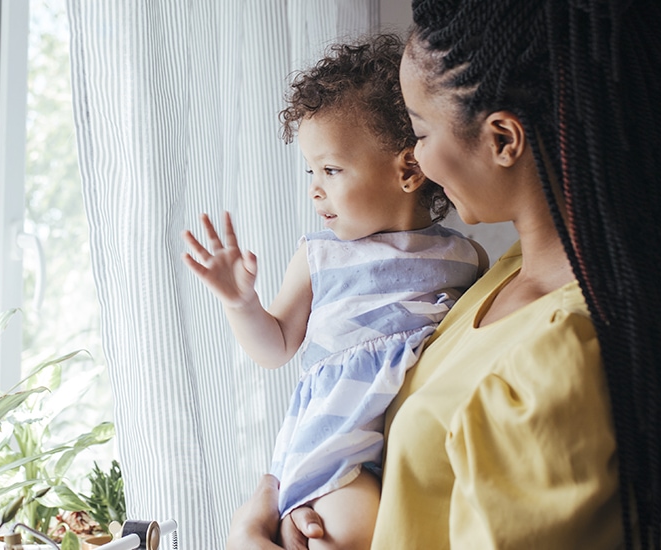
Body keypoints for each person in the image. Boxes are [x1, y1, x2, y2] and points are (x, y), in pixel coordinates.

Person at [226, 0, 661, 548]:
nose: (419, 162)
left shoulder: (559, 363)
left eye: (419, 132)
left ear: (502, 140)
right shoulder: (494, 277)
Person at [184, 34, 485, 550]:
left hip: (413, 444)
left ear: (408, 170)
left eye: (331, 169)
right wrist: (241, 303)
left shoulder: (464, 258)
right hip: (336, 446)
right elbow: (275, 347)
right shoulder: (321, 256)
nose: (314, 188)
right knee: (354, 527)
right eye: (311, 171)